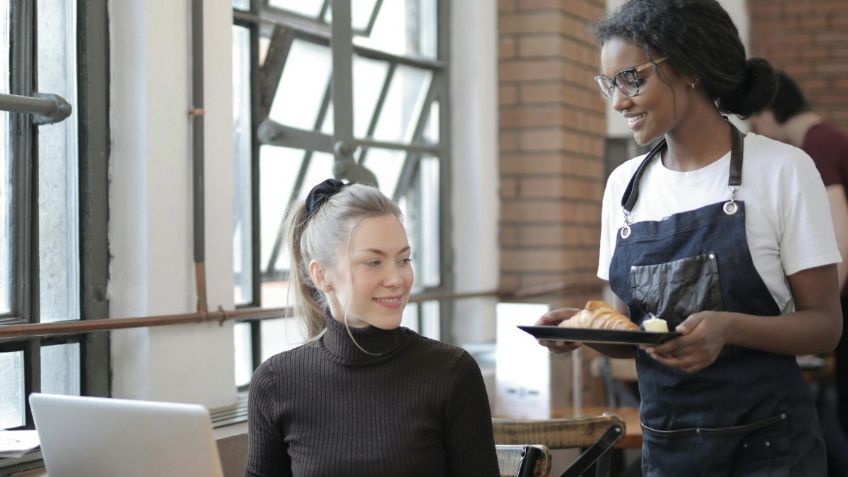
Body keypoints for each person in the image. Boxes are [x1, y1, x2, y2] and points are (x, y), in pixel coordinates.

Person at [537, 1, 842, 475]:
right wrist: (585, 331)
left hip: (770, 450)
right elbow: (633, 336)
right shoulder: (624, 188)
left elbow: (825, 326)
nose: (618, 102)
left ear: (690, 69)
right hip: (670, 449)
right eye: (609, 84)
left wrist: (729, 328)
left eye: (632, 79)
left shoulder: (783, 170)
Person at [244, 179, 499, 477]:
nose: (397, 279)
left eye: (403, 259)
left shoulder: (451, 372)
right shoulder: (275, 383)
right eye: (374, 262)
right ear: (321, 275)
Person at [748, 71, 848, 473]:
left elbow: (840, 236)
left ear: (768, 111)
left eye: (755, 126)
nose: (758, 136)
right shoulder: (831, 138)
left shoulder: (817, 147)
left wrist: (816, 316)